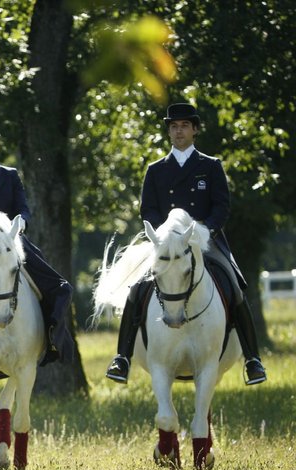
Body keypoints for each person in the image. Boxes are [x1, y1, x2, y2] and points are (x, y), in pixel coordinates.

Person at [105, 102, 267, 385]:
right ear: (169, 132)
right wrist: (163, 235)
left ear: (194, 130)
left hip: (205, 241)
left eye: (184, 126)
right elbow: (148, 209)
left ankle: (253, 360)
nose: (179, 131)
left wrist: (204, 230)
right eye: (174, 127)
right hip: (167, 244)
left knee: (234, 285)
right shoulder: (156, 169)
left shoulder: (211, 166)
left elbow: (221, 206)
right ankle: (122, 358)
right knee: (137, 288)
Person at [0, 121, 73, 365]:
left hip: (13, 240)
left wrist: (19, 225)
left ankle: (52, 339)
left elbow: (23, 208)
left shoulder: (10, 174)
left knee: (59, 287)